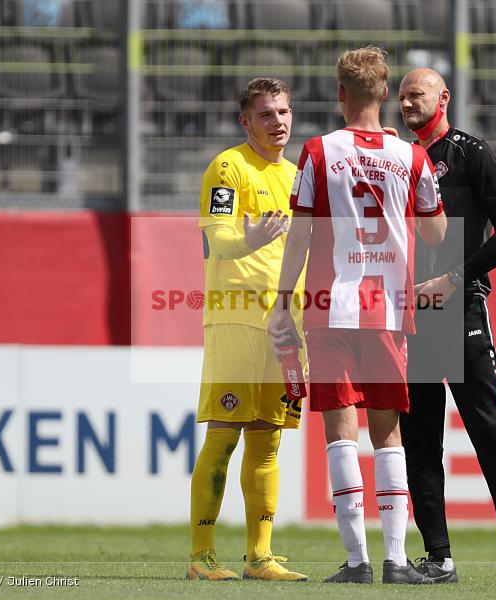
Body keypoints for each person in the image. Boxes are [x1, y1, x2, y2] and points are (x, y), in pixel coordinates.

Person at [269, 47, 447, 585]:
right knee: (388, 435)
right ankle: (396, 559)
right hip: (388, 309)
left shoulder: (318, 151)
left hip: (331, 307)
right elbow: (437, 233)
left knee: (339, 431)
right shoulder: (410, 157)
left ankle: (356, 561)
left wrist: (282, 301)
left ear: (341, 94)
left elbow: (300, 233)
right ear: (385, 93)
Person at [395, 67, 496, 586]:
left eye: (417, 94)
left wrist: (453, 279)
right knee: (420, 441)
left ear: (443, 98)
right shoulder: (397, 159)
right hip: (412, 316)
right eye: (401, 96)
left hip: (460, 312)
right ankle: (439, 559)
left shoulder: (472, 154)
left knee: (489, 434)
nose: (407, 103)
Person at [188, 77, 307, 582]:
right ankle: (201, 556)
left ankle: (260, 558)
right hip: (236, 316)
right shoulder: (228, 168)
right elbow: (217, 239)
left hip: (285, 324)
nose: (277, 122)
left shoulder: (297, 176)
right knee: (224, 434)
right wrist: (247, 241)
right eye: (265, 114)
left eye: (283, 112)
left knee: (268, 439)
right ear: (245, 121)